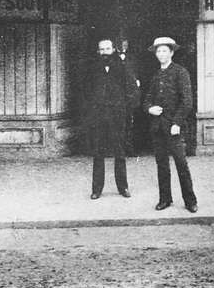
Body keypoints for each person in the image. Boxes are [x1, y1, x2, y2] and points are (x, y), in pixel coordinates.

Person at [143, 36, 198, 213]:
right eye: (158, 51)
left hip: (175, 128)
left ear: (172, 52)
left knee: (181, 164)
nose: (161, 54)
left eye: (164, 51)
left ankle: (190, 201)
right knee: (162, 165)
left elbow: (187, 101)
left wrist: (177, 123)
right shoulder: (156, 75)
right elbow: (147, 99)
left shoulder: (180, 72)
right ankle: (165, 199)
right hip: (157, 127)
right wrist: (150, 109)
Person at [80, 38, 139, 199]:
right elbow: (85, 91)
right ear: (98, 51)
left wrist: (126, 108)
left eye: (107, 49)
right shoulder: (92, 68)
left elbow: (132, 88)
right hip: (98, 115)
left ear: (113, 49)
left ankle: (123, 187)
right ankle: (96, 189)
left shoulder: (123, 66)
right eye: (102, 49)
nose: (105, 52)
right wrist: (91, 110)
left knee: (119, 151)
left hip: (118, 114)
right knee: (98, 152)